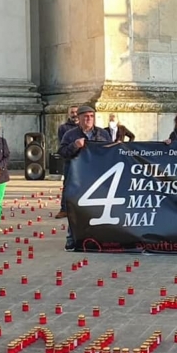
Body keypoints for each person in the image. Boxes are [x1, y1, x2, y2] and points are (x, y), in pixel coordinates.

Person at [58, 106, 112, 250]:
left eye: (91, 116)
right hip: (77, 177)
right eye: (85, 116)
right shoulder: (70, 135)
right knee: (75, 209)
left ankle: (98, 238)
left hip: (97, 177)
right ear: (79, 118)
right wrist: (75, 146)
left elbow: (109, 153)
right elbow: (62, 152)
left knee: (97, 208)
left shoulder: (103, 134)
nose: (88, 119)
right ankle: (72, 238)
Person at [54, 105, 81, 219]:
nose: (74, 114)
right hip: (70, 159)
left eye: (76, 112)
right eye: (72, 112)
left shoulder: (84, 127)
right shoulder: (63, 128)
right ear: (68, 114)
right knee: (68, 184)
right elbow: (63, 144)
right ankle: (64, 209)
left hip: (84, 160)